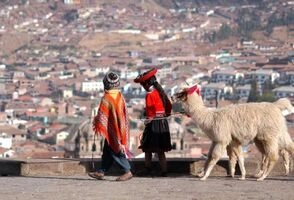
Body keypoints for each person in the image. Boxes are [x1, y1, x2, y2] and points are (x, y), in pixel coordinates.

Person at [88, 72, 133, 181]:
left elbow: (102, 116)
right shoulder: (120, 96)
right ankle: (101, 171)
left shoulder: (106, 98)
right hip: (120, 128)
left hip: (111, 129)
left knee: (116, 150)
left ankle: (127, 171)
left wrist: (97, 122)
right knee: (107, 150)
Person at [134, 68, 172, 177]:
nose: (143, 87)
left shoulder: (150, 94)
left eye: (142, 85)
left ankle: (148, 168)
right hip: (163, 123)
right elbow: (169, 106)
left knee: (147, 148)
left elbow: (150, 112)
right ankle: (164, 171)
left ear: (146, 84)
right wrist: (166, 114)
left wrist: (147, 120)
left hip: (154, 124)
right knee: (160, 150)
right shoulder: (161, 93)